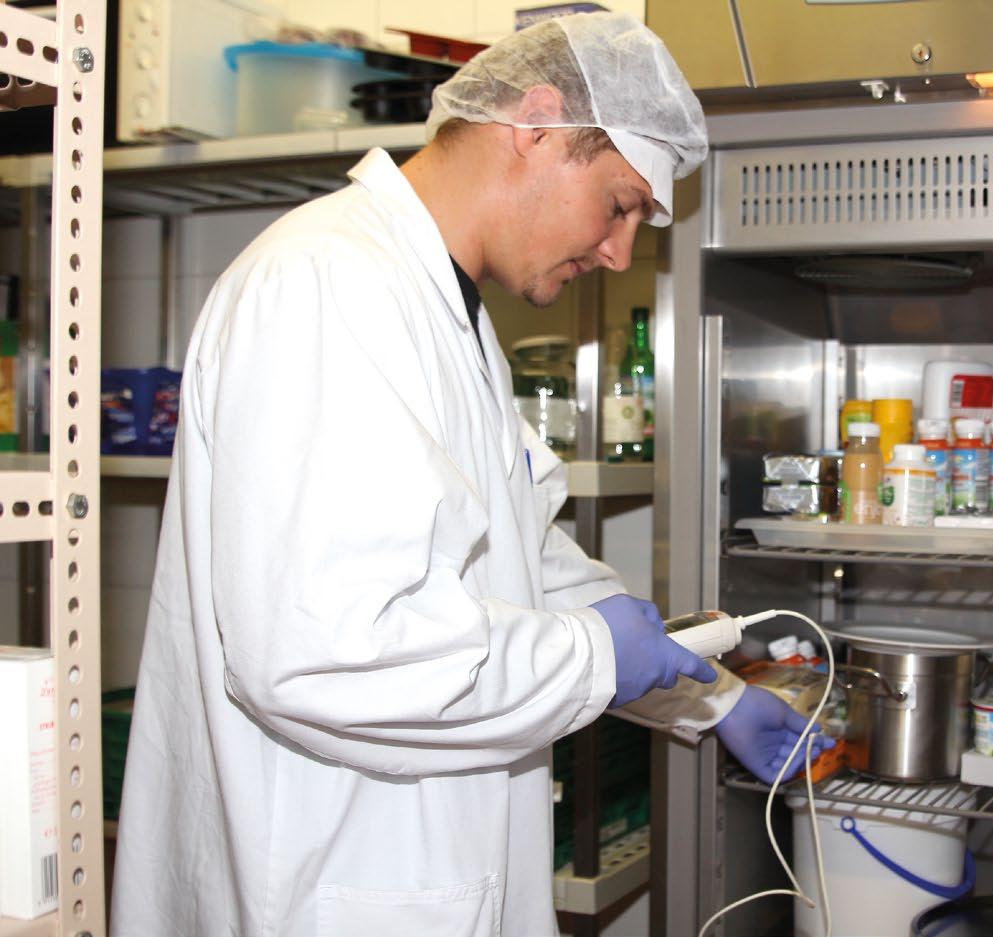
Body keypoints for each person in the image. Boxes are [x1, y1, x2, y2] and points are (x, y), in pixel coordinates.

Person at [111, 13, 828, 937]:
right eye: (618, 205)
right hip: (330, 881)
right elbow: (328, 650)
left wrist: (709, 693)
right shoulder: (325, 285)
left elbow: (514, 560)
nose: (618, 252)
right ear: (536, 123)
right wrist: (597, 655)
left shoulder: (451, 316)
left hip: (414, 865)